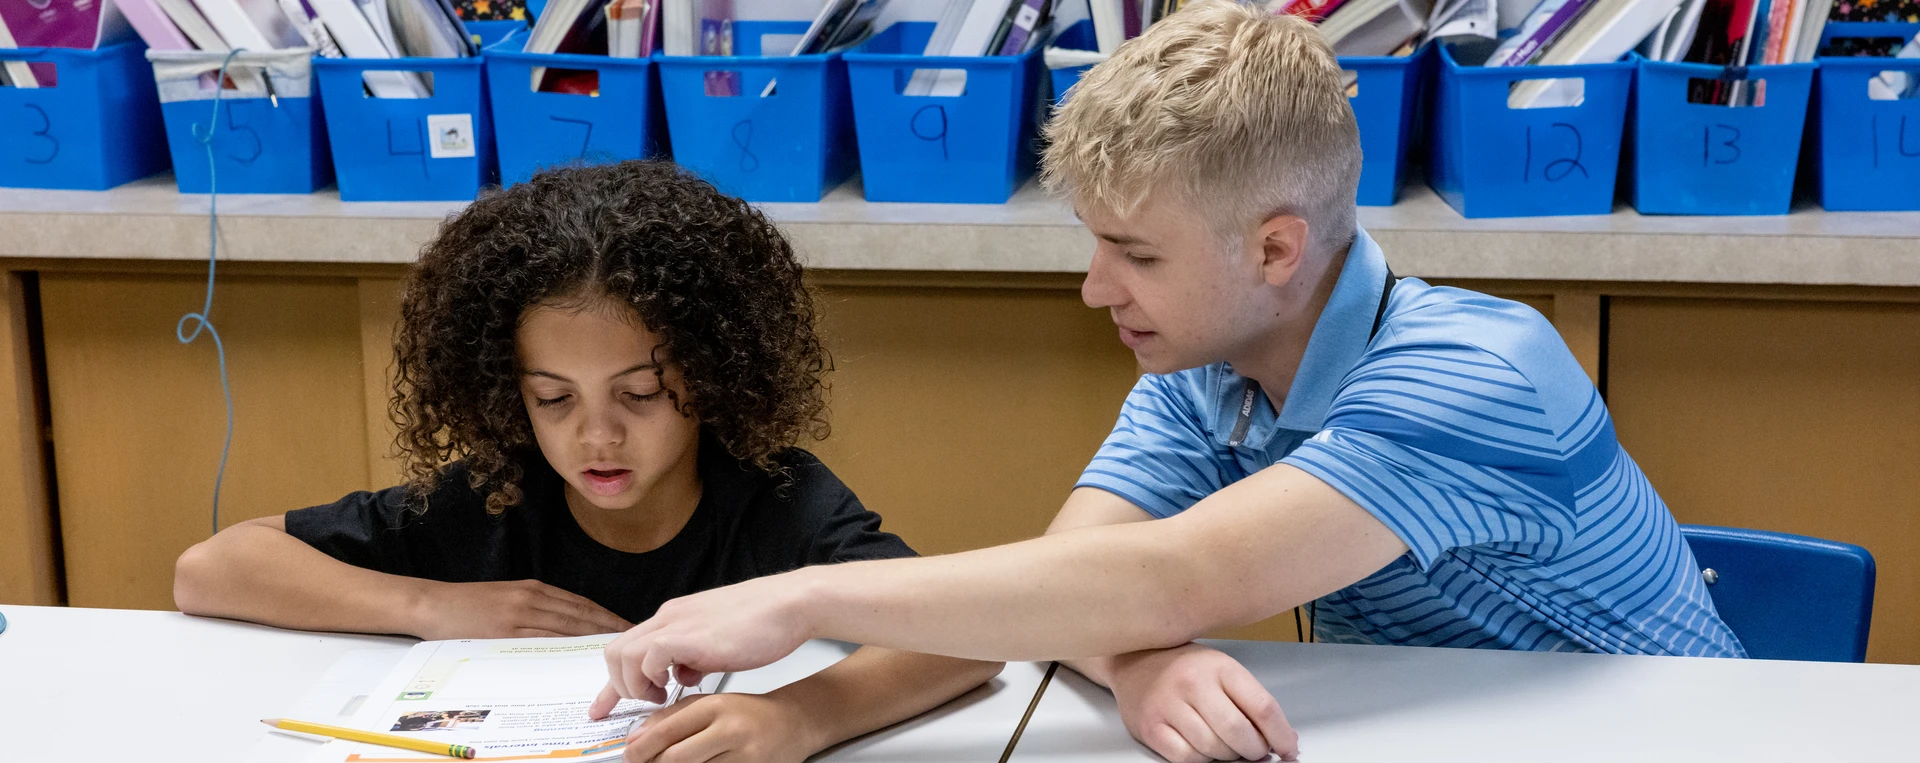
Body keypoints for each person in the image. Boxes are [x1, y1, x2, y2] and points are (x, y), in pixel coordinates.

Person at [587, 5, 1747, 762]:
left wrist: (798, 598)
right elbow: (1071, 584)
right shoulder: (1213, 363)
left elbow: (1158, 575)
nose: (1098, 289)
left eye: (1136, 254)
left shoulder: (1472, 373)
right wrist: (1140, 657)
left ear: (1277, 250)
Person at [172, 161, 1001, 763]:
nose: (595, 437)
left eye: (639, 395)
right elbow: (212, 568)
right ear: (509, 389)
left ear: (710, 375)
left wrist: (800, 717)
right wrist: (432, 604)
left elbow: (967, 638)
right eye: (553, 399)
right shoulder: (497, 494)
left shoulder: (775, 497)